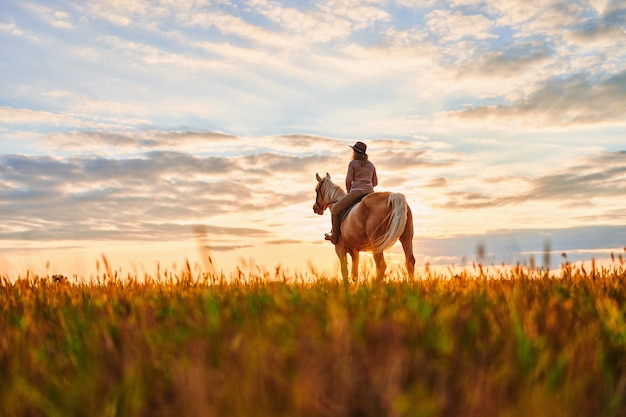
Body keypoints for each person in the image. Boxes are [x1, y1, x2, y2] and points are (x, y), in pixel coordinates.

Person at [325, 141, 378, 244]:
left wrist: (350, 192)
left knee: (335, 209)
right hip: (370, 193)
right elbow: (375, 182)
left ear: (355, 152)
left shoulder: (352, 164)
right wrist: (367, 186)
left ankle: (334, 236)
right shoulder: (371, 165)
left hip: (356, 192)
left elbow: (348, 181)